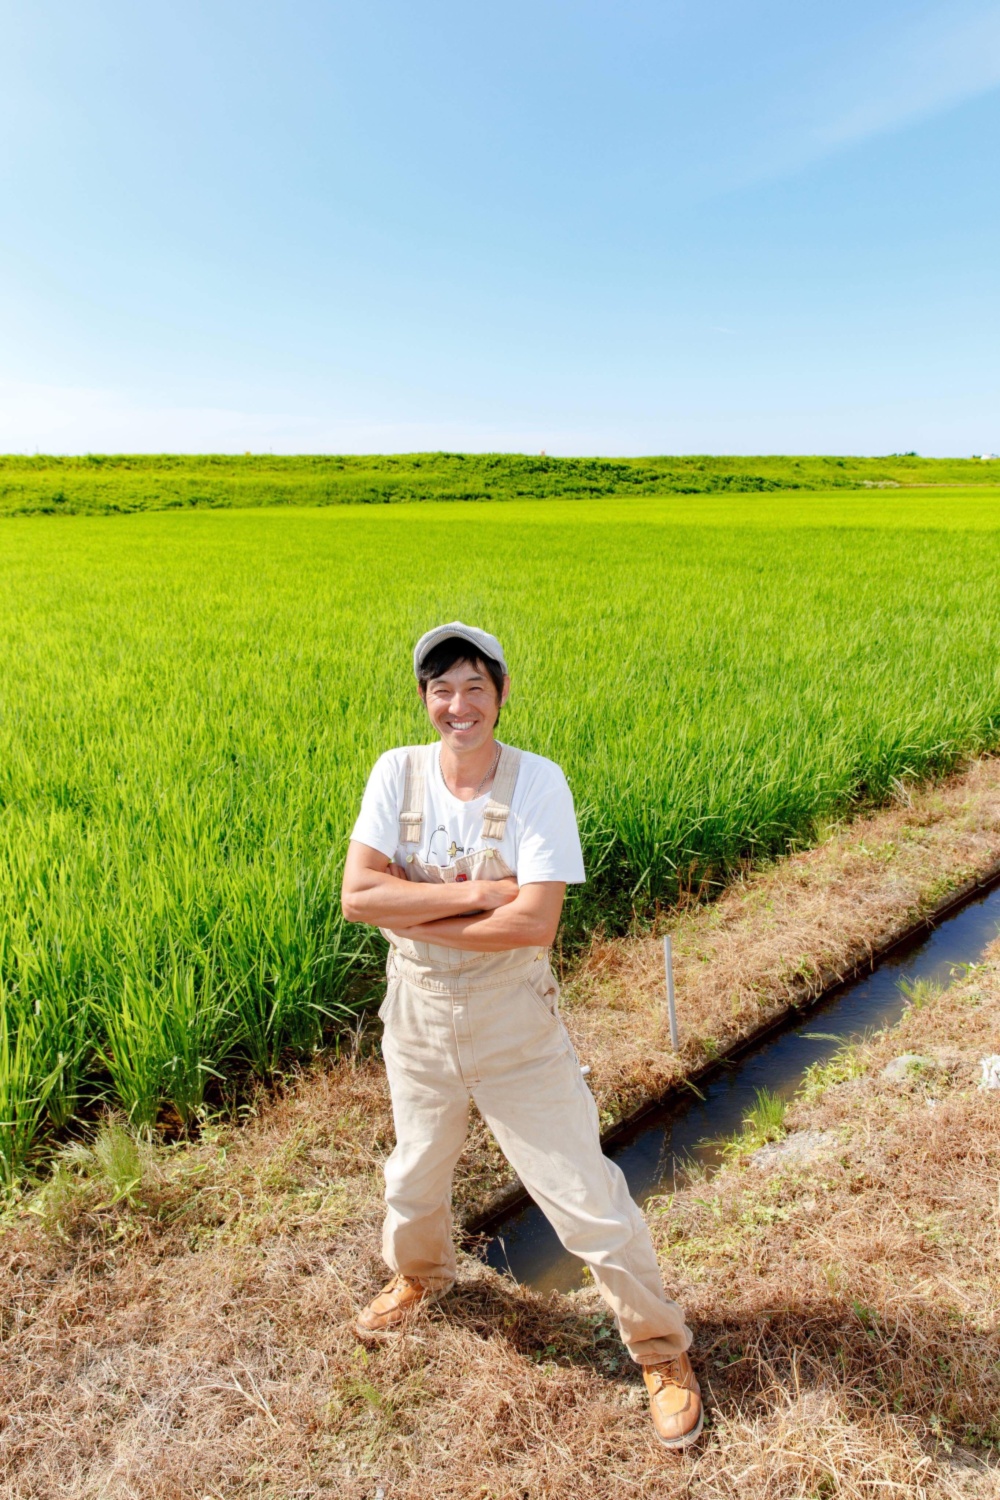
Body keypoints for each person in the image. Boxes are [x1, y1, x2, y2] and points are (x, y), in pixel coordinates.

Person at [341, 621, 703, 1450]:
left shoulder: (537, 783)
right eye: (441, 689)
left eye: (474, 686)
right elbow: (358, 897)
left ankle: (661, 1350)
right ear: (425, 700)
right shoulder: (395, 773)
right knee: (414, 1174)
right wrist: (479, 898)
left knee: (583, 1197)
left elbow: (534, 924)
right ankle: (419, 1278)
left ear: (501, 695)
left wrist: (426, 905)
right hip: (416, 1015)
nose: (456, 704)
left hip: (513, 1020)